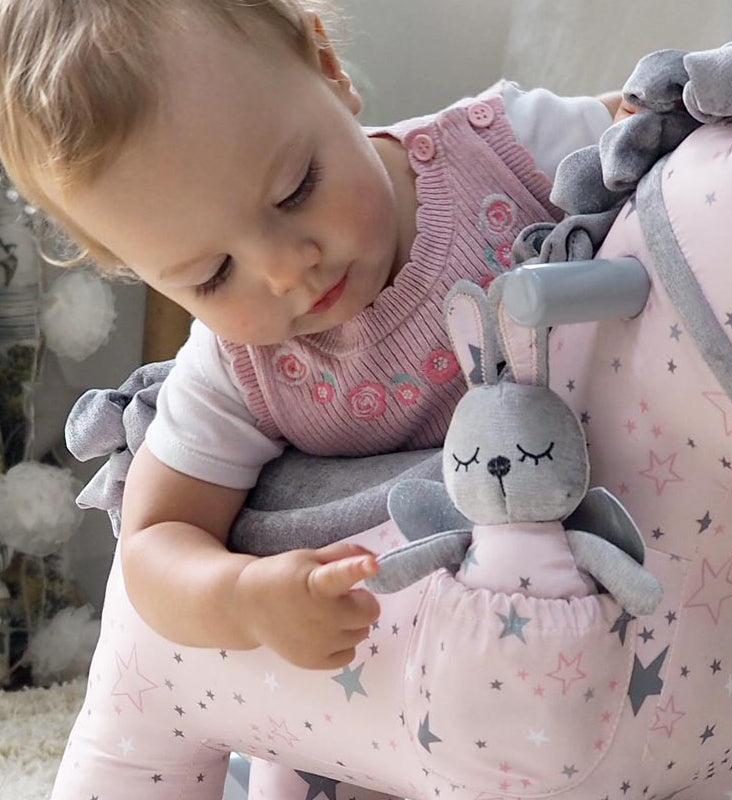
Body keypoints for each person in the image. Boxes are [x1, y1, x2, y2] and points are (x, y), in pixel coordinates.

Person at [0, 0, 624, 671]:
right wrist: (246, 599)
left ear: (327, 67)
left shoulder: (510, 151)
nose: (285, 270)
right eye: (213, 274)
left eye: (295, 190)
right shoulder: (236, 369)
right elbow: (154, 541)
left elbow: (667, 134)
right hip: (448, 663)